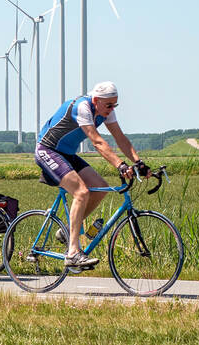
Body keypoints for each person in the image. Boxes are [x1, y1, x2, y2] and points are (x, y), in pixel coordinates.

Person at [35, 81, 149, 268]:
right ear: (96, 100)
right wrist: (120, 165)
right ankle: (72, 253)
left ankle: (67, 231)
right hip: (47, 150)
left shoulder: (106, 110)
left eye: (115, 105)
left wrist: (139, 162)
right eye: (109, 105)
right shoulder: (82, 107)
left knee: (101, 187)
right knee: (81, 192)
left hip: (67, 154)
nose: (112, 109)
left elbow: (120, 138)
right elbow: (96, 141)